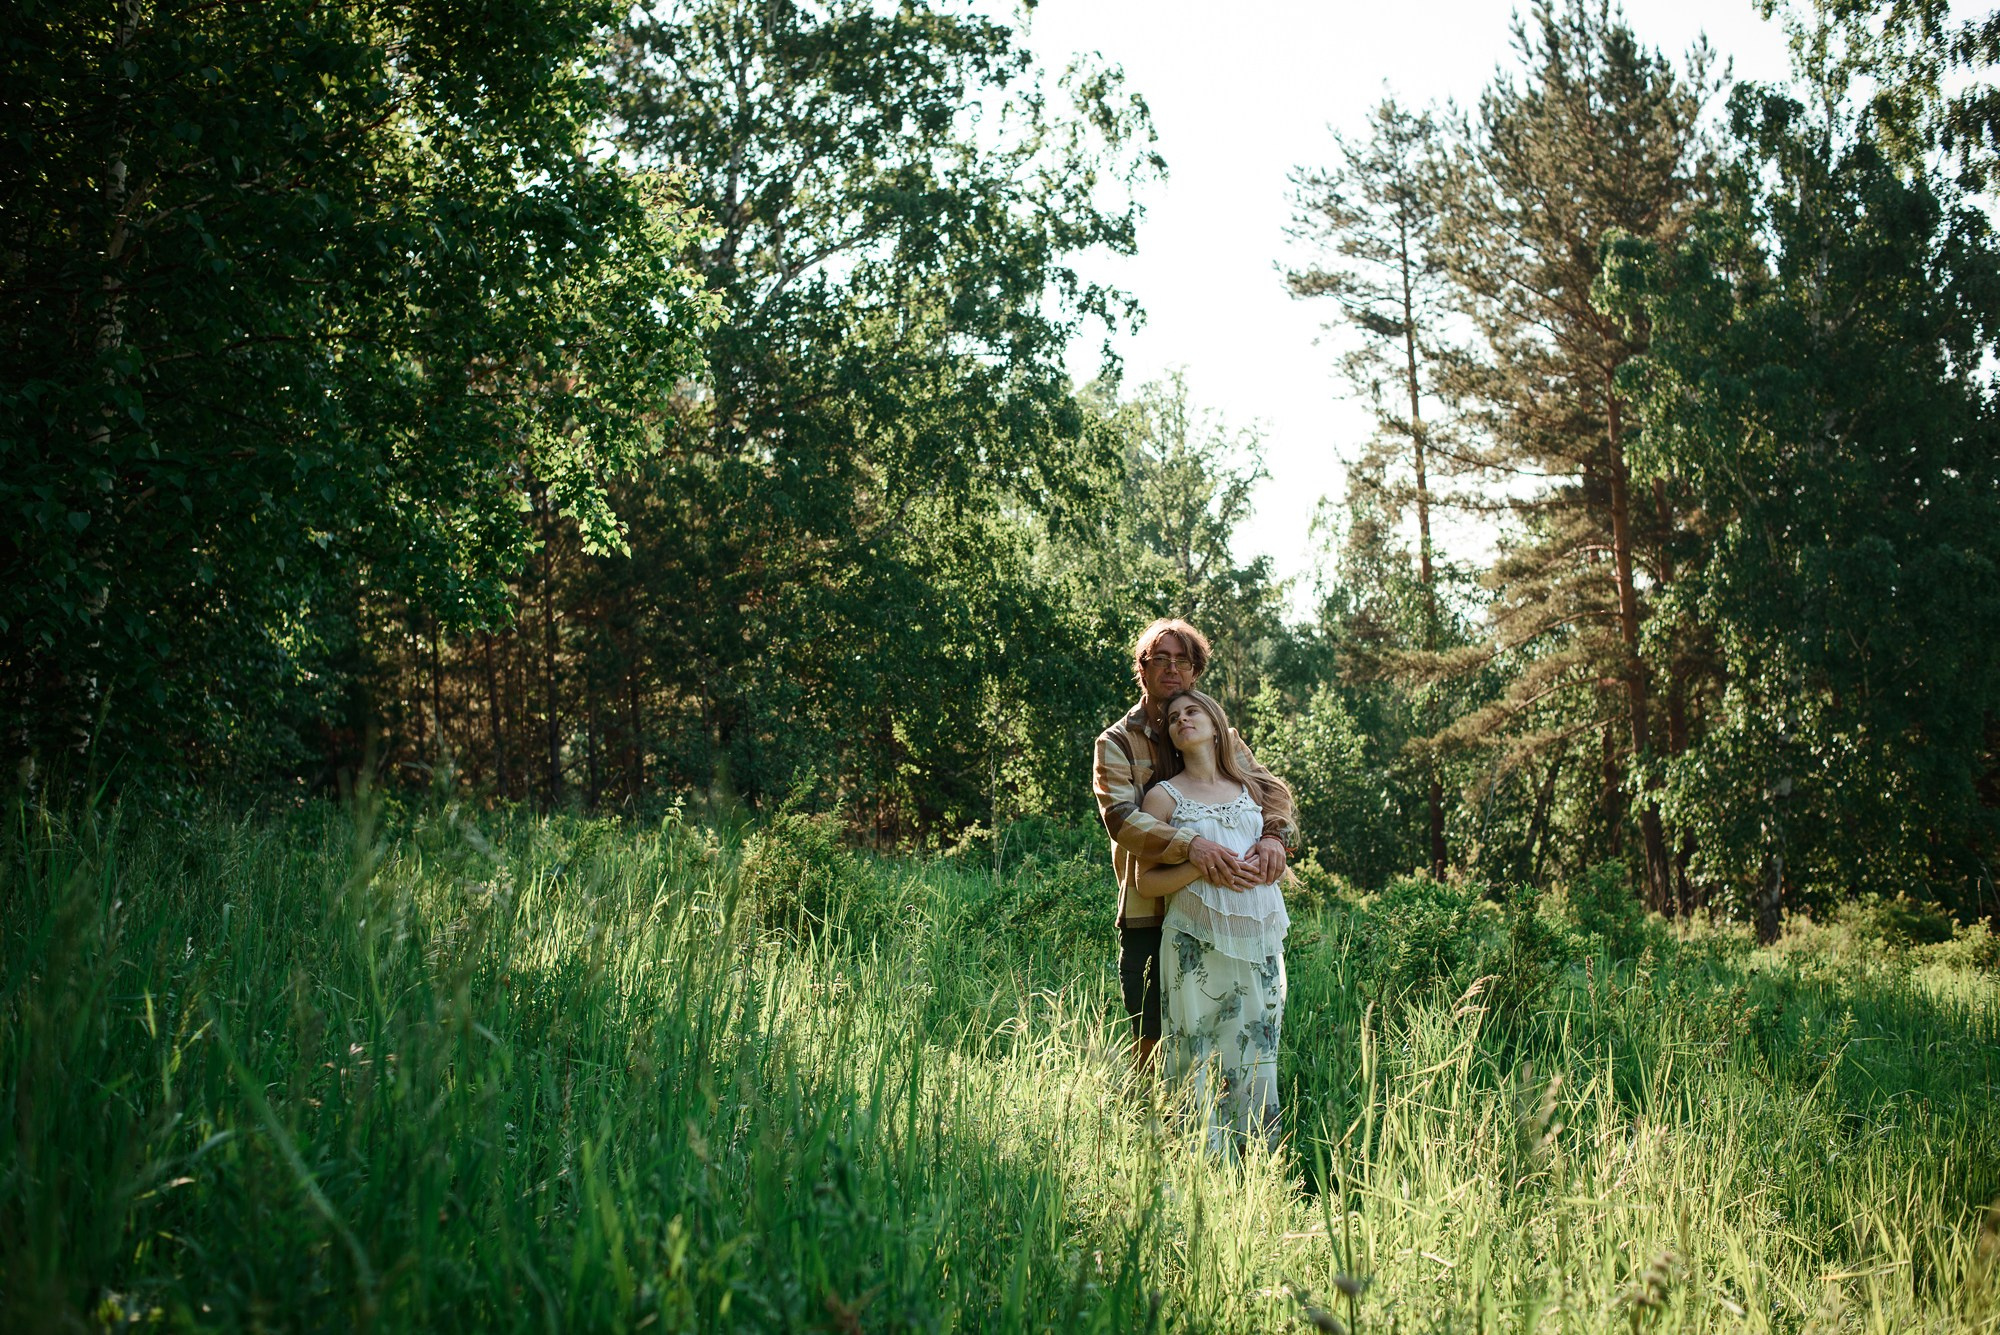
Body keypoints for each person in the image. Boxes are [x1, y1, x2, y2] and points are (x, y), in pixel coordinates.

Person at [1093, 618, 1291, 1068]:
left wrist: (1275, 836)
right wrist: (1193, 846)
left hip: (1225, 911)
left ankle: (1234, 1131)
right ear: (1141, 669)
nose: (1171, 669)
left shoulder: (1219, 733)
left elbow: (1268, 790)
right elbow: (1122, 820)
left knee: (1229, 1032)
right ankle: (1148, 1128)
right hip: (1152, 911)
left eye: (1183, 660)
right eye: (1159, 659)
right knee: (1153, 1036)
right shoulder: (1117, 743)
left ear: (1196, 670)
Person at [1136, 687, 1295, 1153]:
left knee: (1256, 1053)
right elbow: (1146, 883)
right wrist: (1199, 865)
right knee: (1198, 1054)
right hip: (1196, 948)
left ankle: (1258, 1164)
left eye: (1193, 711)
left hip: (1260, 945)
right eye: (1174, 717)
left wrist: (1274, 846)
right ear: (1170, 736)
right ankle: (1199, 1165)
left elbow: (1277, 831)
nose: (1183, 719)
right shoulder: (1163, 798)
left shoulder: (1249, 788)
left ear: (1214, 720)